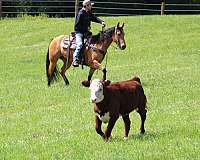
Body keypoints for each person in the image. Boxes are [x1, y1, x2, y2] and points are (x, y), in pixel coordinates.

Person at [73, 0, 106, 67]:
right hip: (79, 33)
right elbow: (76, 26)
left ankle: (89, 58)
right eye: (90, 5)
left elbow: (94, 18)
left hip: (86, 33)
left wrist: (101, 22)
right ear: (87, 6)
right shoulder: (80, 14)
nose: (91, 6)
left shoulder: (88, 12)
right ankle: (75, 59)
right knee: (80, 44)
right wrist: (85, 29)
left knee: (93, 43)